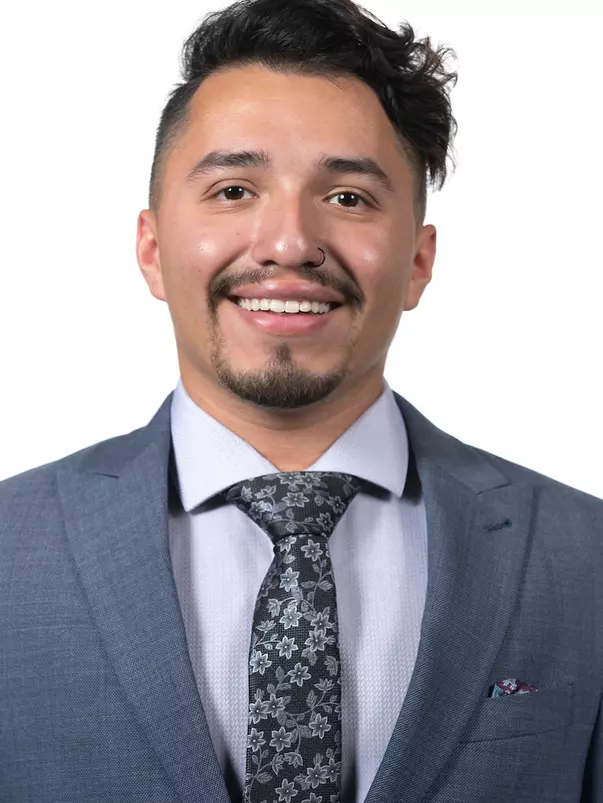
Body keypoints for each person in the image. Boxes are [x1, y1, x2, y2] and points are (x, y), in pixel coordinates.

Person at [1, 0, 602, 800]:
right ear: (150, 249)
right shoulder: (12, 548)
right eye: (233, 190)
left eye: (348, 198)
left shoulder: (582, 555)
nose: (288, 243)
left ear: (419, 261)